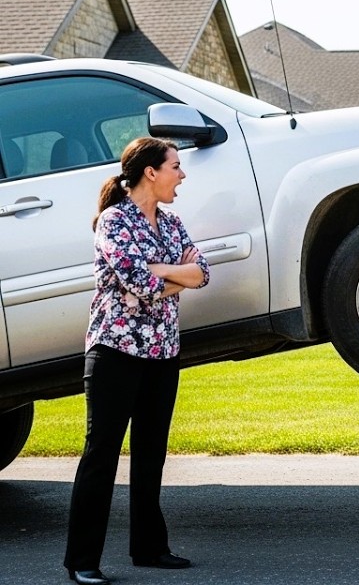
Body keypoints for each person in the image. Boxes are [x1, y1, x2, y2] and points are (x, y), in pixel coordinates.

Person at [64, 137, 210, 585]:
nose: (181, 175)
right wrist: (172, 274)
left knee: (151, 454)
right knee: (101, 454)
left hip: (163, 352)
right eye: (176, 167)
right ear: (151, 171)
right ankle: (83, 561)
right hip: (114, 352)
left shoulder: (172, 222)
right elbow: (132, 280)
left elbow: (202, 273)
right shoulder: (113, 221)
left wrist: (160, 272)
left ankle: (149, 549)